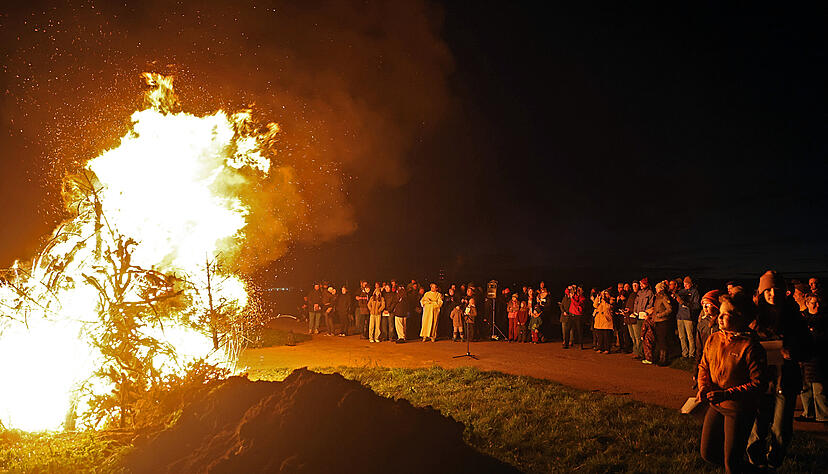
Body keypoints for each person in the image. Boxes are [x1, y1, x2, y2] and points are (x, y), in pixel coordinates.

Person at [746, 270, 811, 469]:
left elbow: (809, 346)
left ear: (784, 291)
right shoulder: (754, 317)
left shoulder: (794, 316)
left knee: (781, 428)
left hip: (786, 380)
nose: (772, 294)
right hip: (761, 380)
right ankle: (755, 461)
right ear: (761, 292)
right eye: (768, 290)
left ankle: (774, 462)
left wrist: (794, 352)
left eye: (776, 289)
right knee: (757, 425)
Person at [698, 292, 768, 474]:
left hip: (738, 409)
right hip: (716, 404)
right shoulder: (714, 338)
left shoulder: (750, 347)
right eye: (720, 313)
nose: (719, 317)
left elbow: (759, 383)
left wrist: (727, 394)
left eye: (725, 314)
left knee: (732, 463)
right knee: (708, 453)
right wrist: (703, 386)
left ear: (740, 317)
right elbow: (704, 366)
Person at [798, 293, 827, 422]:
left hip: (818, 358)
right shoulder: (802, 318)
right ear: (807, 303)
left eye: (818, 303)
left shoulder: (823, 319)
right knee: (805, 388)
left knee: (819, 389)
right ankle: (808, 413)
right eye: (813, 303)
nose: (817, 306)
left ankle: (823, 415)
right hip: (805, 358)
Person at [694, 290, 721, 385]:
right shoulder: (702, 323)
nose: (705, 307)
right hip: (706, 363)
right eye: (703, 304)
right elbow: (699, 349)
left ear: (716, 306)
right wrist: (696, 370)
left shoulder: (722, 324)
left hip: (719, 364)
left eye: (708, 304)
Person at [648, 280, 674, 366]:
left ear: (660, 289)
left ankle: (664, 359)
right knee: (659, 341)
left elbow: (669, 309)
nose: (656, 289)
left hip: (663, 321)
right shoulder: (657, 297)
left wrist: (660, 315)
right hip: (657, 321)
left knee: (663, 341)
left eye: (657, 288)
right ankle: (660, 358)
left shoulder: (664, 297)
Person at [676, 276, 701, 359]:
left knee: (690, 336)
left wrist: (685, 303)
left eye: (687, 284)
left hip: (688, 317)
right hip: (680, 316)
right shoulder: (681, 292)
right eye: (684, 283)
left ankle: (691, 354)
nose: (685, 285)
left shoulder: (695, 292)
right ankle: (684, 354)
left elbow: (696, 306)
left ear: (691, 284)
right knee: (681, 336)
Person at [593, 289, 614, 353]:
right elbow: (595, 305)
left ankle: (607, 349)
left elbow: (608, 307)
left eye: (606, 294)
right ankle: (600, 348)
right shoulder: (600, 300)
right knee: (600, 335)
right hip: (599, 320)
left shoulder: (611, 300)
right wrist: (597, 298)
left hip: (606, 319)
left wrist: (604, 301)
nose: (604, 295)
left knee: (606, 335)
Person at [625, 281, 642, 358]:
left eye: (636, 285)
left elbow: (638, 306)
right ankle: (634, 351)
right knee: (632, 336)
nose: (634, 287)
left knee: (637, 336)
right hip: (629, 318)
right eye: (633, 285)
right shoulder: (631, 294)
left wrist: (631, 310)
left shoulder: (639, 294)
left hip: (635, 318)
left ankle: (639, 353)